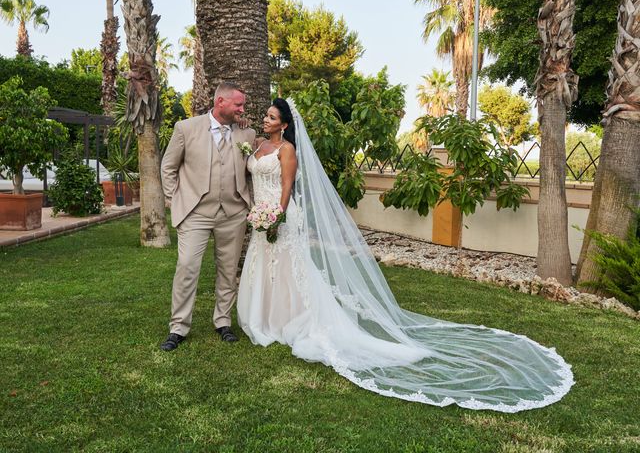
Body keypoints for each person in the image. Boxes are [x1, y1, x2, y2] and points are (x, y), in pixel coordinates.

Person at [237, 98, 575, 412]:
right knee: (265, 266)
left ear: (283, 124)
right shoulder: (257, 145)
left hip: (280, 215)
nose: (265, 120)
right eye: (266, 116)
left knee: (289, 268)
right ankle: (266, 317)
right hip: (260, 215)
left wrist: (277, 216)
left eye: (271, 117)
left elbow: (286, 187)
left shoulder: (287, 149)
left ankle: (291, 319)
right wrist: (259, 213)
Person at [160, 82, 256, 351]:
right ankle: (178, 327)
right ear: (220, 102)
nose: (242, 109)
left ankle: (223, 321)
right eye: (238, 104)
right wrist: (174, 199)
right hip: (195, 213)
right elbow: (168, 167)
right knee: (187, 267)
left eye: (243, 105)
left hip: (233, 212)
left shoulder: (247, 134)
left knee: (228, 270)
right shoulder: (186, 128)